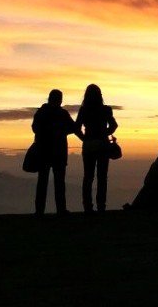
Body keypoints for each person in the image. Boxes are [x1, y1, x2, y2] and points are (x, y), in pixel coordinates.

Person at [31, 88, 79, 216]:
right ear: (59, 100)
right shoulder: (62, 114)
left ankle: (40, 211)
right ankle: (61, 210)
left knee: (43, 182)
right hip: (58, 152)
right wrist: (61, 132)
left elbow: (35, 128)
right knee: (59, 182)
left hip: (44, 151)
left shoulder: (41, 112)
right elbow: (73, 127)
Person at [75, 84, 118, 214]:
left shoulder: (84, 110)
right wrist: (105, 133)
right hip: (103, 145)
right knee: (102, 177)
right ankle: (101, 206)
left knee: (88, 177)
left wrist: (85, 139)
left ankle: (88, 207)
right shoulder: (105, 110)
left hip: (88, 146)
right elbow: (114, 125)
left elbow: (76, 128)